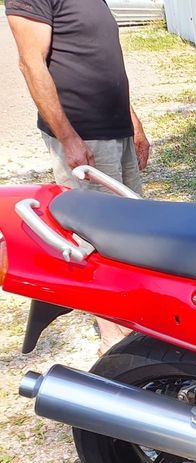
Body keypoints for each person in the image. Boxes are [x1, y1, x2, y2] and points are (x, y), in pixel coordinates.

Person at [6, 0, 150, 353]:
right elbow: (31, 64)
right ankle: (113, 340)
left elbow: (105, 62)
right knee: (97, 238)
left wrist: (134, 122)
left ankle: (136, 317)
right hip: (84, 135)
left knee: (135, 229)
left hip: (115, 129)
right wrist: (68, 138)